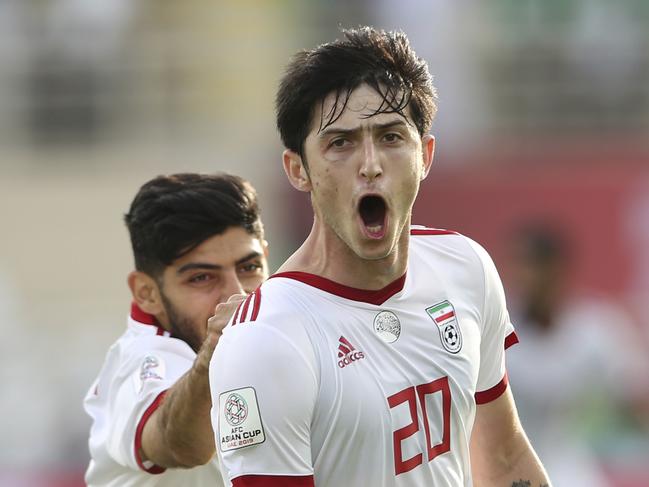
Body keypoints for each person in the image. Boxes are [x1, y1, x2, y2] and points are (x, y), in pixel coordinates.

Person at [209, 27, 550, 487]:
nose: (369, 164)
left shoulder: (465, 267)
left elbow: (504, 459)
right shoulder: (266, 341)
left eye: (391, 137)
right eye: (341, 143)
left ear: (425, 156)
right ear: (298, 170)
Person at [84, 173, 269, 486]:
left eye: (249, 267)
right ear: (147, 293)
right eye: (201, 278)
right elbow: (181, 445)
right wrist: (214, 355)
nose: (236, 295)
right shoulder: (138, 362)